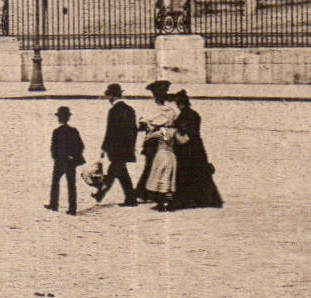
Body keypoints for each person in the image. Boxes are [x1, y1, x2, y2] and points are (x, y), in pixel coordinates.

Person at [169, 91, 223, 210]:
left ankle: (186, 200)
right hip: (197, 147)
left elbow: (185, 133)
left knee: (186, 174)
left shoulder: (184, 115)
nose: (177, 106)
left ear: (181, 104)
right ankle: (206, 199)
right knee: (201, 174)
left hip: (187, 149)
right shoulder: (194, 114)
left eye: (178, 103)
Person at [136, 80, 180, 211]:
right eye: (158, 93)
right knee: (150, 165)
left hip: (165, 140)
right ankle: (146, 192)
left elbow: (173, 124)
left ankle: (154, 192)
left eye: (163, 93)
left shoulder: (170, 110)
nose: (161, 95)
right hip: (152, 142)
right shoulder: (150, 108)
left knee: (161, 167)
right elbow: (142, 124)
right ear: (154, 94)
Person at [95, 83, 139, 206]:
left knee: (115, 171)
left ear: (112, 96)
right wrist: (131, 146)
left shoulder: (113, 111)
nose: (108, 99)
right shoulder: (129, 109)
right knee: (120, 172)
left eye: (108, 96)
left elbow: (110, 131)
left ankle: (102, 193)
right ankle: (130, 198)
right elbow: (134, 130)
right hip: (126, 148)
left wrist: (104, 147)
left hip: (115, 148)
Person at [45, 106, 85, 216]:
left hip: (60, 162)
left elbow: (54, 148)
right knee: (71, 184)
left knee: (55, 182)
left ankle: (54, 204)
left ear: (60, 118)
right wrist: (73, 156)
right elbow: (81, 146)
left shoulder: (57, 132)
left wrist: (56, 158)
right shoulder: (74, 131)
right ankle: (72, 209)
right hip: (71, 162)